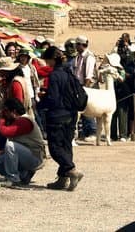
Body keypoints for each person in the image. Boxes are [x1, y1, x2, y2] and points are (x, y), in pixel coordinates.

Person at [37, 46, 84, 191]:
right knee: (66, 145)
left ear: (51, 59)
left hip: (57, 115)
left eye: (47, 60)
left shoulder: (55, 75)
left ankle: (72, 170)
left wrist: (41, 101)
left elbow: (54, 98)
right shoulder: (68, 72)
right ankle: (63, 179)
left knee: (55, 147)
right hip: (71, 114)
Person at [0, 97, 46, 188]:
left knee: (10, 145)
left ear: (13, 111)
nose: (5, 113)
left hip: (35, 156)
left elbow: (5, 132)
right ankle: (23, 175)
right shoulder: (17, 120)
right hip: (26, 154)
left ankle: (14, 179)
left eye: (6, 111)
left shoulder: (24, 120)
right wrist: (1, 152)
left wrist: (1, 119)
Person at [73, 36, 97, 141]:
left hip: (88, 86)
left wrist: (85, 90)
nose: (75, 47)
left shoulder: (89, 57)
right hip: (80, 85)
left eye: (77, 44)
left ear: (81, 45)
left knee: (88, 109)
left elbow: (88, 75)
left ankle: (92, 131)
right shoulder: (78, 56)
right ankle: (83, 132)